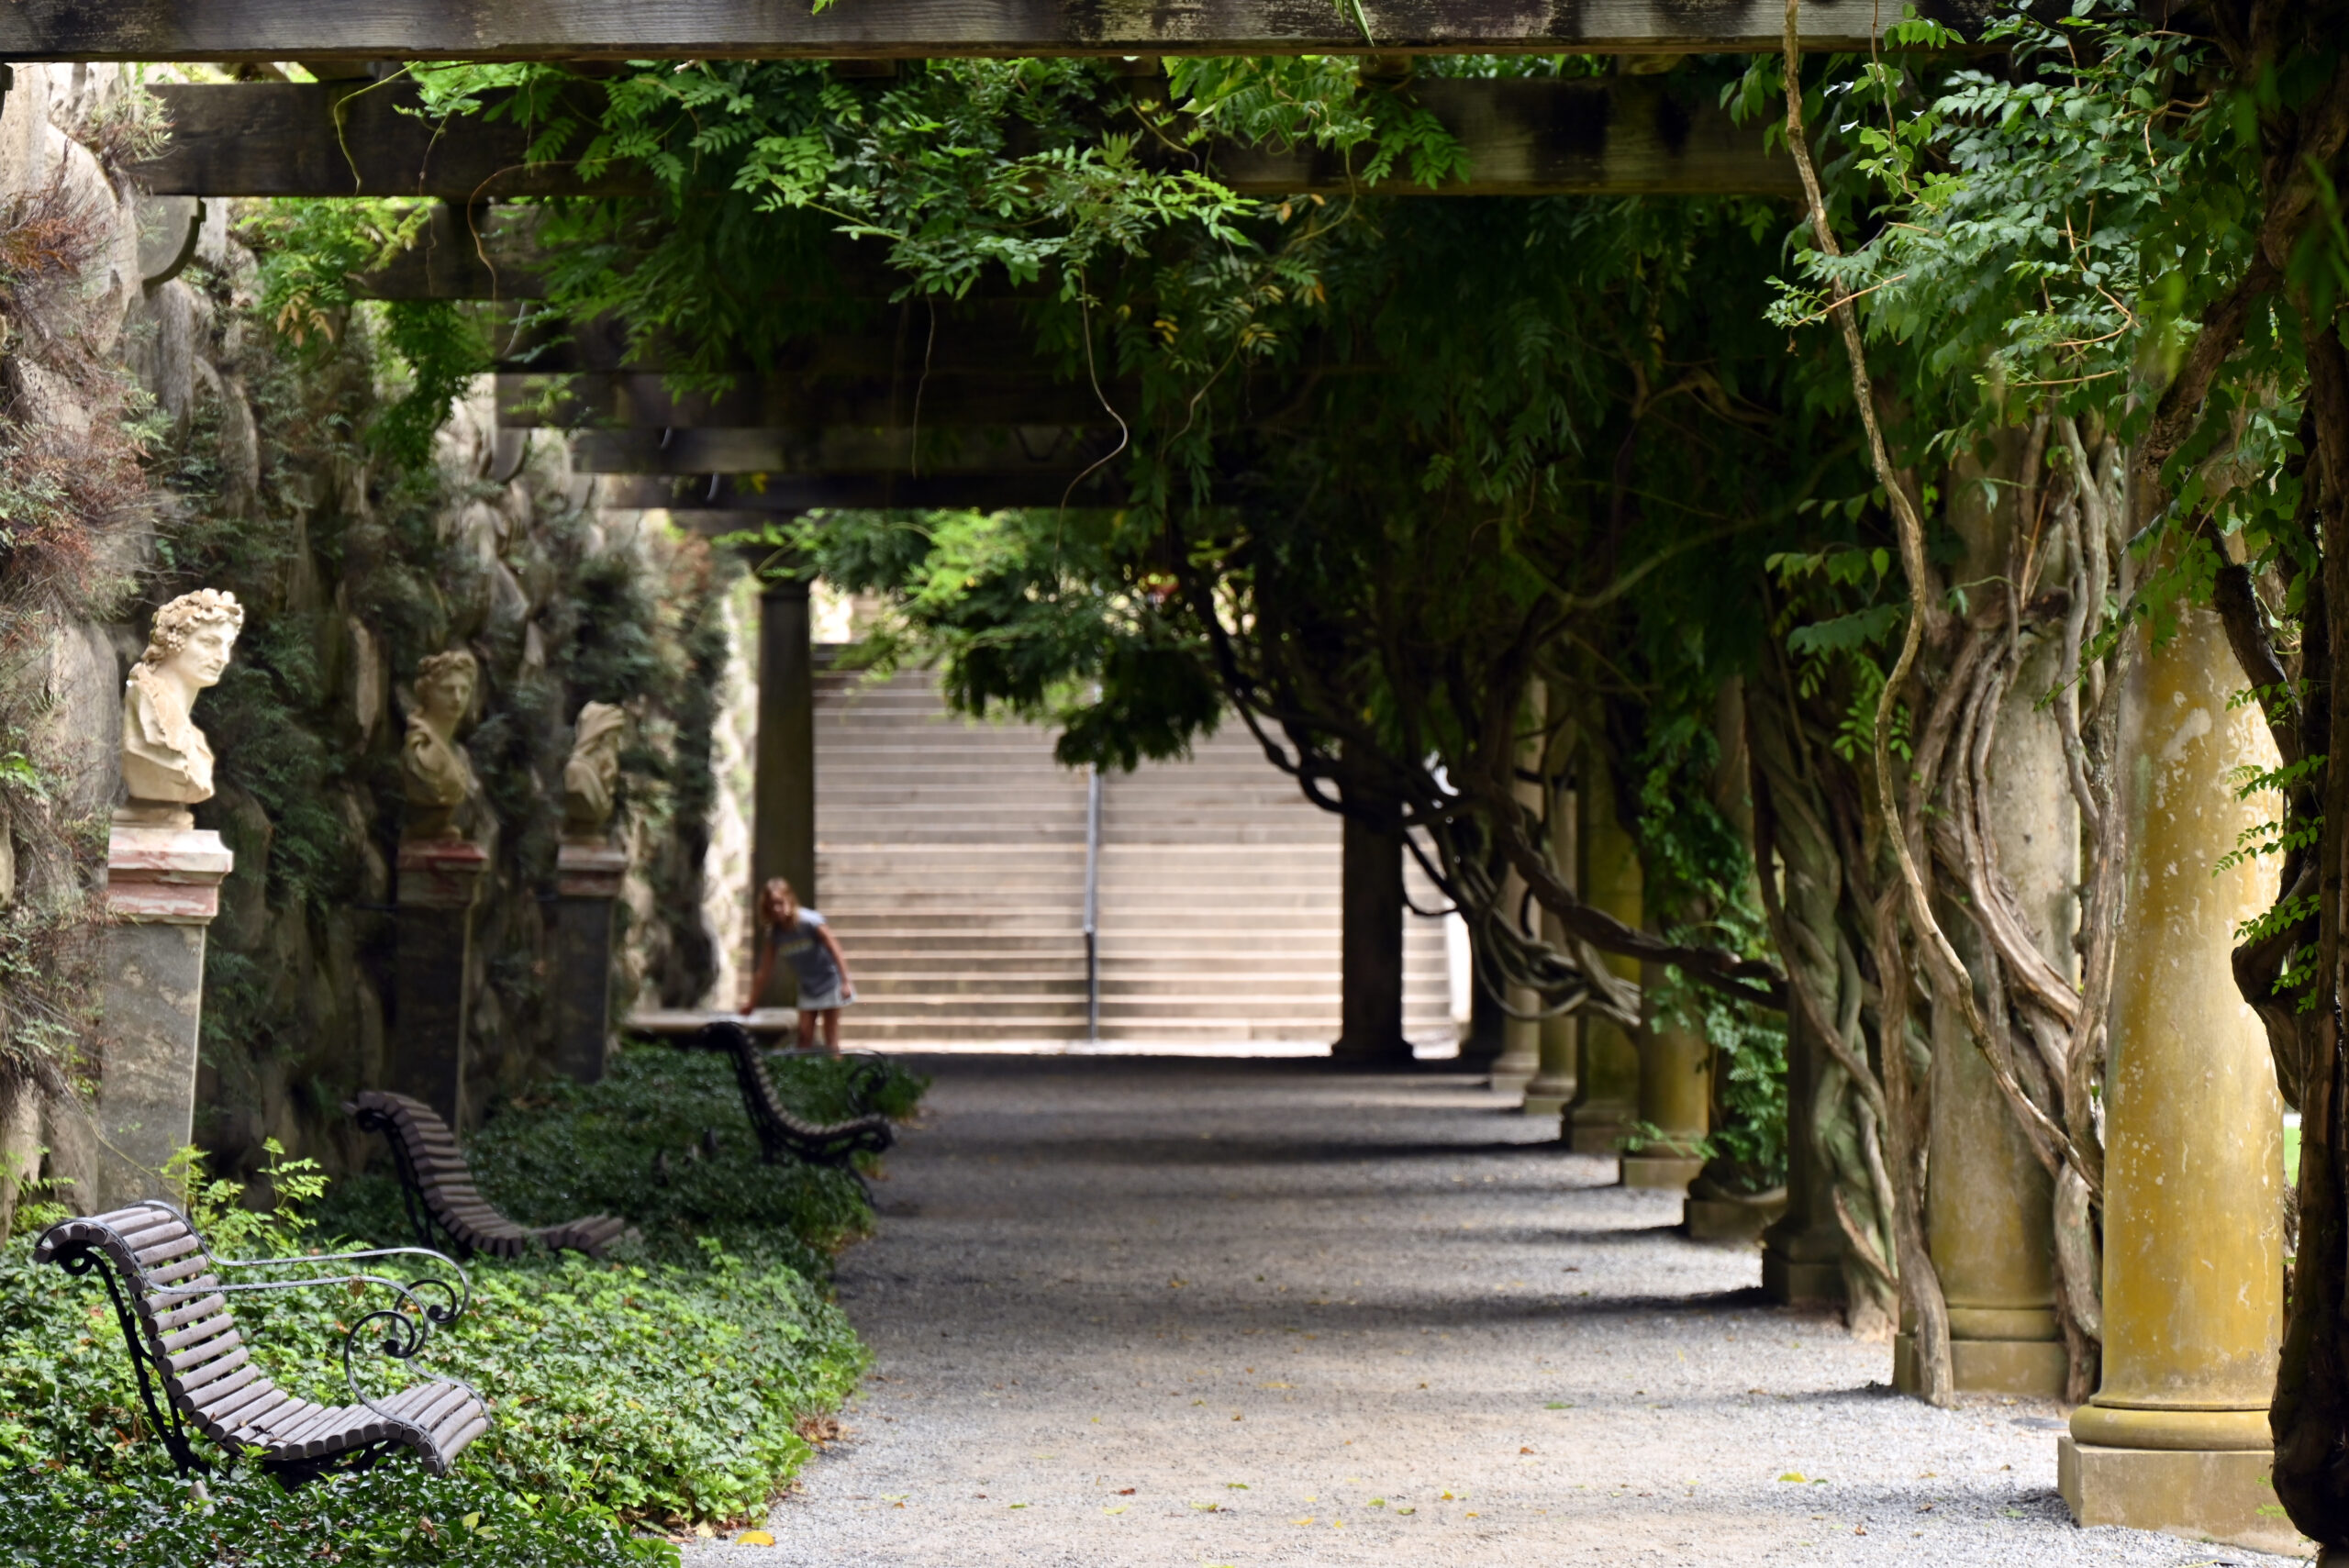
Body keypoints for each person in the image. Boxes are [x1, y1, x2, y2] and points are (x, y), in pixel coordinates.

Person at [743, 877, 856, 1054]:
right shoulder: (775, 934)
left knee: (830, 1039)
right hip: (808, 986)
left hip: (829, 982)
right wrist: (751, 1003)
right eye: (771, 905)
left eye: (780, 903)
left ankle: (836, 1074)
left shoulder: (810, 921)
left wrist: (845, 981)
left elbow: (835, 950)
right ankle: (804, 1075)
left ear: (790, 900)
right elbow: (764, 971)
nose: (776, 909)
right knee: (804, 1036)